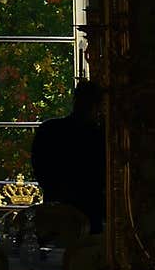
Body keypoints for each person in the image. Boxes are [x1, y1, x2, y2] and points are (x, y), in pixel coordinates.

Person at [31, 80, 106, 234]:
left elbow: (40, 172)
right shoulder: (101, 137)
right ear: (98, 106)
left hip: (55, 213)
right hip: (91, 211)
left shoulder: (48, 130)